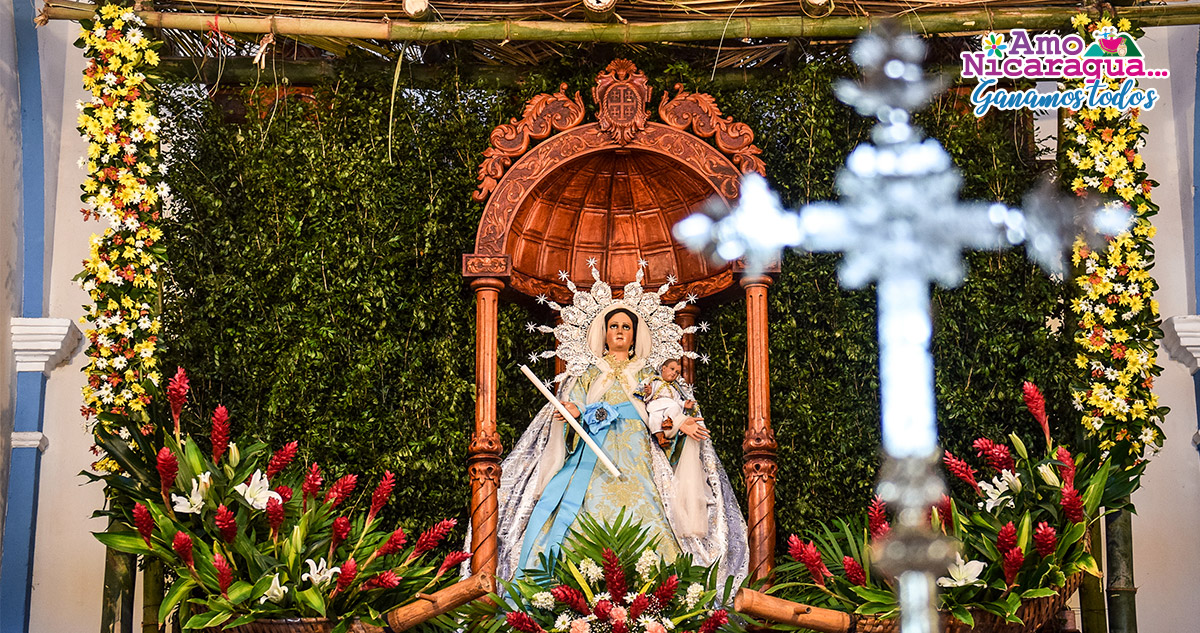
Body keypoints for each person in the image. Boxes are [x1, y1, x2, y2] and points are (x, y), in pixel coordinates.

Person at [483, 293, 749, 586]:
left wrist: (680, 423)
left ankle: (659, 592)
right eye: (614, 326)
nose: (620, 331)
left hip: (639, 455)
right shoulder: (587, 374)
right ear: (604, 333)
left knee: (650, 512)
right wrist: (572, 411)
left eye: (626, 327)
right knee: (582, 513)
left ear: (635, 335)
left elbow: (663, 408)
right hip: (591, 454)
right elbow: (573, 406)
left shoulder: (649, 375)